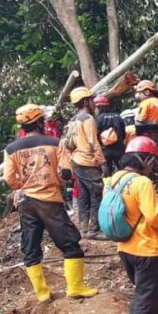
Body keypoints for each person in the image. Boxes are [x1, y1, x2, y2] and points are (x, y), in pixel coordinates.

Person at [5, 104, 98, 303]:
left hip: (26, 202)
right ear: (40, 122)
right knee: (70, 244)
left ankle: (42, 294)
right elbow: (65, 173)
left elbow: (9, 180)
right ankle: (75, 287)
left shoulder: (11, 149)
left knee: (30, 248)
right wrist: (56, 180)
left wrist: (24, 184)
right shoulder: (56, 143)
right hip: (49, 201)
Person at [108, 136, 158, 314]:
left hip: (124, 247)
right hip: (145, 249)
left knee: (140, 293)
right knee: (149, 300)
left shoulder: (114, 180)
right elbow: (154, 218)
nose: (153, 168)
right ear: (144, 159)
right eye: (152, 163)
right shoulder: (142, 183)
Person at [66, 86, 106, 239]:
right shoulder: (88, 119)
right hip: (88, 161)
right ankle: (94, 230)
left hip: (77, 161)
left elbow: (69, 144)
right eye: (91, 99)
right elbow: (93, 143)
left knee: (83, 194)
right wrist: (102, 162)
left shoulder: (73, 121)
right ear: (86, 101)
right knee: (97, 194)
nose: (94, 102)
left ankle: (83, 228)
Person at [133, 80, 158, 188]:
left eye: (140, 93)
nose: (139, 96)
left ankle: (150, 184)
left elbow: (139, 122)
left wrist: (138, 135)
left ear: (147, 92)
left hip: (148, 137)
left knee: (146, 161)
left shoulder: (146, 103)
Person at [94, 95, 126, 178]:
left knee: (108, 174)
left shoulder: (98, 119)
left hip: (105, 151)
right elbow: (124, 133)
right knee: (124, 171)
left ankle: (109, 189)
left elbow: (95, 136)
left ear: (99, 107)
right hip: (119, 149)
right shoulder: (118, 117)